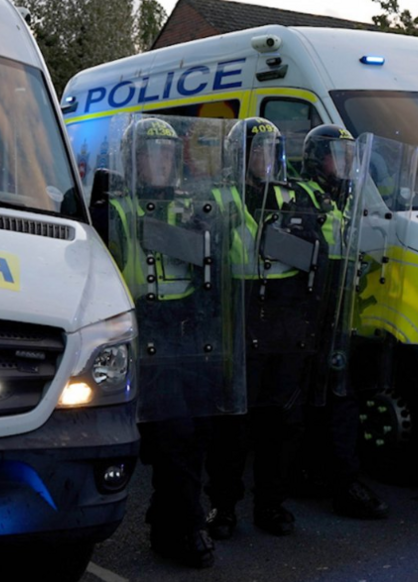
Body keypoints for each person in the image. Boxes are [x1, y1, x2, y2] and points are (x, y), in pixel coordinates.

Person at [97, 117, 241, 568]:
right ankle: (186, 527)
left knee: (195, 432)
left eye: (166, 154)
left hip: (189, 328)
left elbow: (224, 262)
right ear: (131, 160)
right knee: (174, 434)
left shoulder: (192, 204)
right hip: (143, 331)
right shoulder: (117, 207)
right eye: (149, 154)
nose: (159, 163)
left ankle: (168, 519)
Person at [206, 117, 310, 540]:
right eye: (257, 150)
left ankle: (271, 504)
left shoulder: (291, 195)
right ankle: (224, 507)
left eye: (271, 150)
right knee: (232, 423)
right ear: (240, 155)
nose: (265, 159)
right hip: (238, 314)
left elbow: (312, 252)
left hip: (283, 321)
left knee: (278, 423)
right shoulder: (219, 197)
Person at [291, 124, 389, 520]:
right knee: (310, 403)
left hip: (339, 315)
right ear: (318, 159)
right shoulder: (301, 198)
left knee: (340, 400)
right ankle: (309, 478)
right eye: (337, 155)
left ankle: (340, 480)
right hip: (306, 317)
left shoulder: (345, 200)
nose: (345, 164)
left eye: (350, 157)